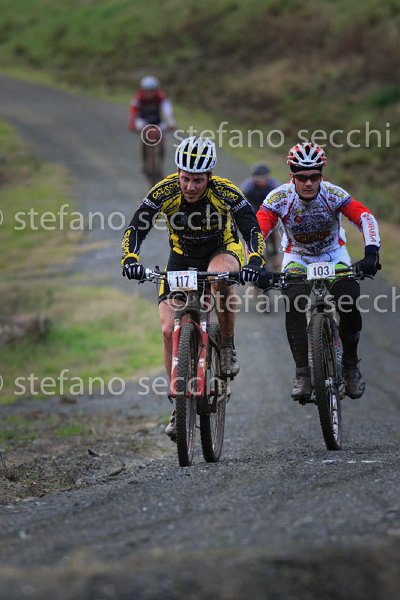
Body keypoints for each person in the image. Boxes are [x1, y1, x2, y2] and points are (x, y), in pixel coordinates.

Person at [122, 136, 265, 439]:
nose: (190, 186)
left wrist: (255, 260)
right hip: (182, 257)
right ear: (178, 172)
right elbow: (136, 227)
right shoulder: (165, 191)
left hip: (221, 250)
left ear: (209, 177)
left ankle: (227, 346)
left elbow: (251, 229)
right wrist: (130, 258)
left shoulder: (225, 191)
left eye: (198, 180)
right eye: (185, 178)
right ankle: (179, 404)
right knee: (167, 330)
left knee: (218, 278)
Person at [256, 142, 381, 402]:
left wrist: (371, 253)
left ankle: (350, 366)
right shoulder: (279, 198)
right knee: (294, 302)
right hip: (298, 257)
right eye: (302, 177)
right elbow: (259, 230)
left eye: (314, 176)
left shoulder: (333, 194)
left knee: (348, 300)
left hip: (333, 255)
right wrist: (255, 262)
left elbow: (364, 217)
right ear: (292, 176)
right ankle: (303, 373)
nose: (309, 183)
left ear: (321, 175)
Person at [128, 75, 176, 170]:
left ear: (156, 90)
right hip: (143, 121)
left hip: (157, 122)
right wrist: (132, 124)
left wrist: (171, 123)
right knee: (144, 140)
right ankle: (144, 163)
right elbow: (133, 111)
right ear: (143, 90)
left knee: (162, 141)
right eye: (147, 90)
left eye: (152, 90)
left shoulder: (161, 97)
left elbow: (167, 111)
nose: (149, 93)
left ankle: (160, 165)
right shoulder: (138, 97)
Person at [241, 163, 281, 270]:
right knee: (253, 234)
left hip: (271, 212)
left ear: (267, 177)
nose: (260, 180)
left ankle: (275, 253)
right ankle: (256, 255)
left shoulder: (274, 186)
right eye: (258, 178)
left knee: (274, 231)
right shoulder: (247, 188)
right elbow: (243, 206)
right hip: (255, 213)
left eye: (263, 178)